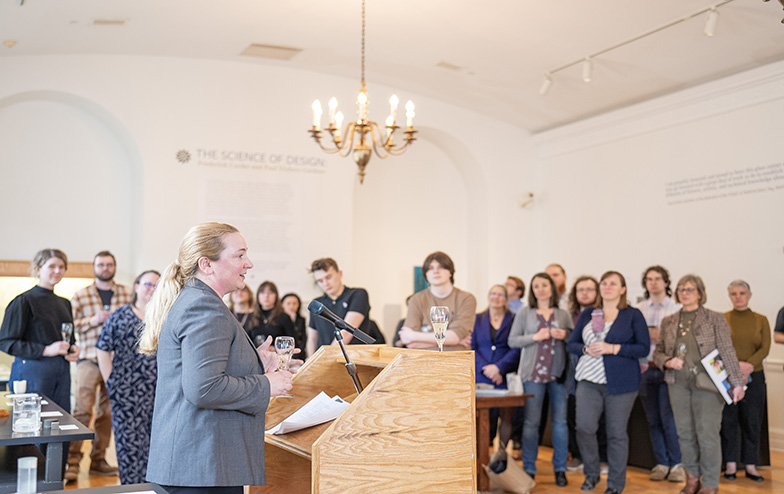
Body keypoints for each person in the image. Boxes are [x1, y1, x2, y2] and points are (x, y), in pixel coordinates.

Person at [140, 222, 294, 493]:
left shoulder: (197, 300)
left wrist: (257, 363)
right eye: (240, 255)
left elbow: (206, 370)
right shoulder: (203, 307)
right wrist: (268, 384)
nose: (249, 264)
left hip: (200, 464)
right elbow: (204, 388)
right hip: (201, 464)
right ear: (207, 264)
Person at [653, 274, 745, 494]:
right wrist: (667, 361)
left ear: (700, 293)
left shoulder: (715, 318)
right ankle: (692, 478)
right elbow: (658, 353)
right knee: (684, 433)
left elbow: (727, 350)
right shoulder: (669, 321)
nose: (685, 293)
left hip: (708, 385)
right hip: (678, 384)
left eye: (690, 289)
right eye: (681, 289)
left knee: (708, 434)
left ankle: (711, 483)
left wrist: (738, 382)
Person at [567, 271, 649, 494]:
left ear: (623, 289)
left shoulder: (632, 315)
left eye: (613, 283)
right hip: (587, 381)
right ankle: (591, 474)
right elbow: (571, 344)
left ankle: (615, 484)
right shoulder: (588, 314)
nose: (608, 286)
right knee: (584, 428)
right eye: (604, 283)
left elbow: (643, 348)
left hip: (621, 384)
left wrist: (613, 349)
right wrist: (585, 349)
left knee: (616, 433)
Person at [67, 250, 132, 481]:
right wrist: (92, 320)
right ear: (94, 267)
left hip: (118, 360)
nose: (105, 268)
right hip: (88, 358)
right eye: (101, 264)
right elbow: (70, 325)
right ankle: (71, 462)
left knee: (108, 413)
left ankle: (98, 460)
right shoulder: (81, 294)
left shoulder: (127, 292)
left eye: (109, 264)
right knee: (82, 410)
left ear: (114, 267)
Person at [96, 270, 160, 484]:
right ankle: (131, 489)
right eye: (148, 284)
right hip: (125, 392)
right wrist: (110, 381)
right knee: (129, 446)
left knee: (155, 446)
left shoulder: (163, 318)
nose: (152, 289)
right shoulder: (120, 315)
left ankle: (153, 488)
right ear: (136, 286)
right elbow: (102, 348)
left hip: (158, 393)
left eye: (157, 286)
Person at [508, 273, 573, 486]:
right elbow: (512, 341)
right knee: (531, 423)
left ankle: (560, 469)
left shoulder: (562, 314)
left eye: (545, 285)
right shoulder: (525, 313)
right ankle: (529, 468)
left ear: (552, 288)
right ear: (532, 290)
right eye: (536, 286)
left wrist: (565, 335)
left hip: (558, 375)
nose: (541, 289)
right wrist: (534, 337)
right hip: (532, 375)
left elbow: (574, 339)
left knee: (560, 423)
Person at [0, 249, 80, 411]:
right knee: (32, 424)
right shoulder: (23, 301)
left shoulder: (65, 303)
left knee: (61, 424)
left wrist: (74, 348)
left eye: (61, 267)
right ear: (38, 269)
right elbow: (6, 342)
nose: (57, 271)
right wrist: (45, 350)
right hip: (32, 372)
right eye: (52, 266)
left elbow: (67, 338)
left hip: (61, 372)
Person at [636, 266, 684, 482]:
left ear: (666, 282)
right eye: (649, 279)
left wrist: (660, 336)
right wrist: (646, 337)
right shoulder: (638, 309)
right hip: (646, 369)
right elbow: (633, 339)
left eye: (658, 279)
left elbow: (683, 343)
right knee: (653, 419)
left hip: (668, 370)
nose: (653, 283)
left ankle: (677, 465)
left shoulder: (677, 308)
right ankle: (661, 463)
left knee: (669, 418)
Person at [720, 280, 770, 482]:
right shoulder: (723, 319)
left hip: (755, 376)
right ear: (730, 296)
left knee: (752, 422)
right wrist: (736, 366)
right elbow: (720, 346)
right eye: (733, 293)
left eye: (742, 293)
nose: (738, 296)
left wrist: (748, 365)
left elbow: (765, 348)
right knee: (729, 421)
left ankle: (751, 465)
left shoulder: (761, 320)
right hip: (728, 377)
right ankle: (730, 465)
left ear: (749, 295)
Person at [472, 285, 520, 454]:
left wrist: (498, 368)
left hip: (504, 375)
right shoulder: (477, 319)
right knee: (483, 418)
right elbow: (473, 347)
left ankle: (500, 455)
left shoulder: (514, 319)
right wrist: (487, 369)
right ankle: (483, 454)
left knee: (506, 416)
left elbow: (516, 348)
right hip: (482, 375)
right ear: (488, 296)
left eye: (501, 294)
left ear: (506, 299)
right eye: (493, 293)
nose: (496, 297)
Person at [397, 251, 477, 350]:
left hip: (457, 361)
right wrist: (451, 340)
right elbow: (411, 344)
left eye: (441, 267)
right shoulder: (416, 300)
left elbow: (455, 337)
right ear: (425, 274)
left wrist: (414, 335)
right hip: (423, 361)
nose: (435, 271)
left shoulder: (466, 298)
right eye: (430, 268)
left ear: (450, 272)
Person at [565, 275, 602, 472]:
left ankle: (600, 458)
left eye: (589, 289)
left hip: (596, 373)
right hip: (571, 374)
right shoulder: (568, 315)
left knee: (598, 419)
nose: (585, 293)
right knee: (573, 416)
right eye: (581, 289)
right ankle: (577, 455)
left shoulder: (603, 314)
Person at [307, 258, 372, 358]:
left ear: (339, 273)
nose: (325, 283)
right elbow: (312, 338)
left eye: (328, 277)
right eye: (320, 281)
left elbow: (346, 333)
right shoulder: (317, 303)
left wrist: (324, 359)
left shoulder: (358, 294)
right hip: (324, 361)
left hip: (353, 359)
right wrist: (310, 362)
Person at [249, 281, 284, 346]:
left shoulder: (284, 317)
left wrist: (275, 349)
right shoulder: (251, 316)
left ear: (276, 296)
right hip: (255, 355)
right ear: (258, 296)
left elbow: (292, 343)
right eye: (262, 293)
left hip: (277, 355)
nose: (266, 296)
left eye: (270, 293)